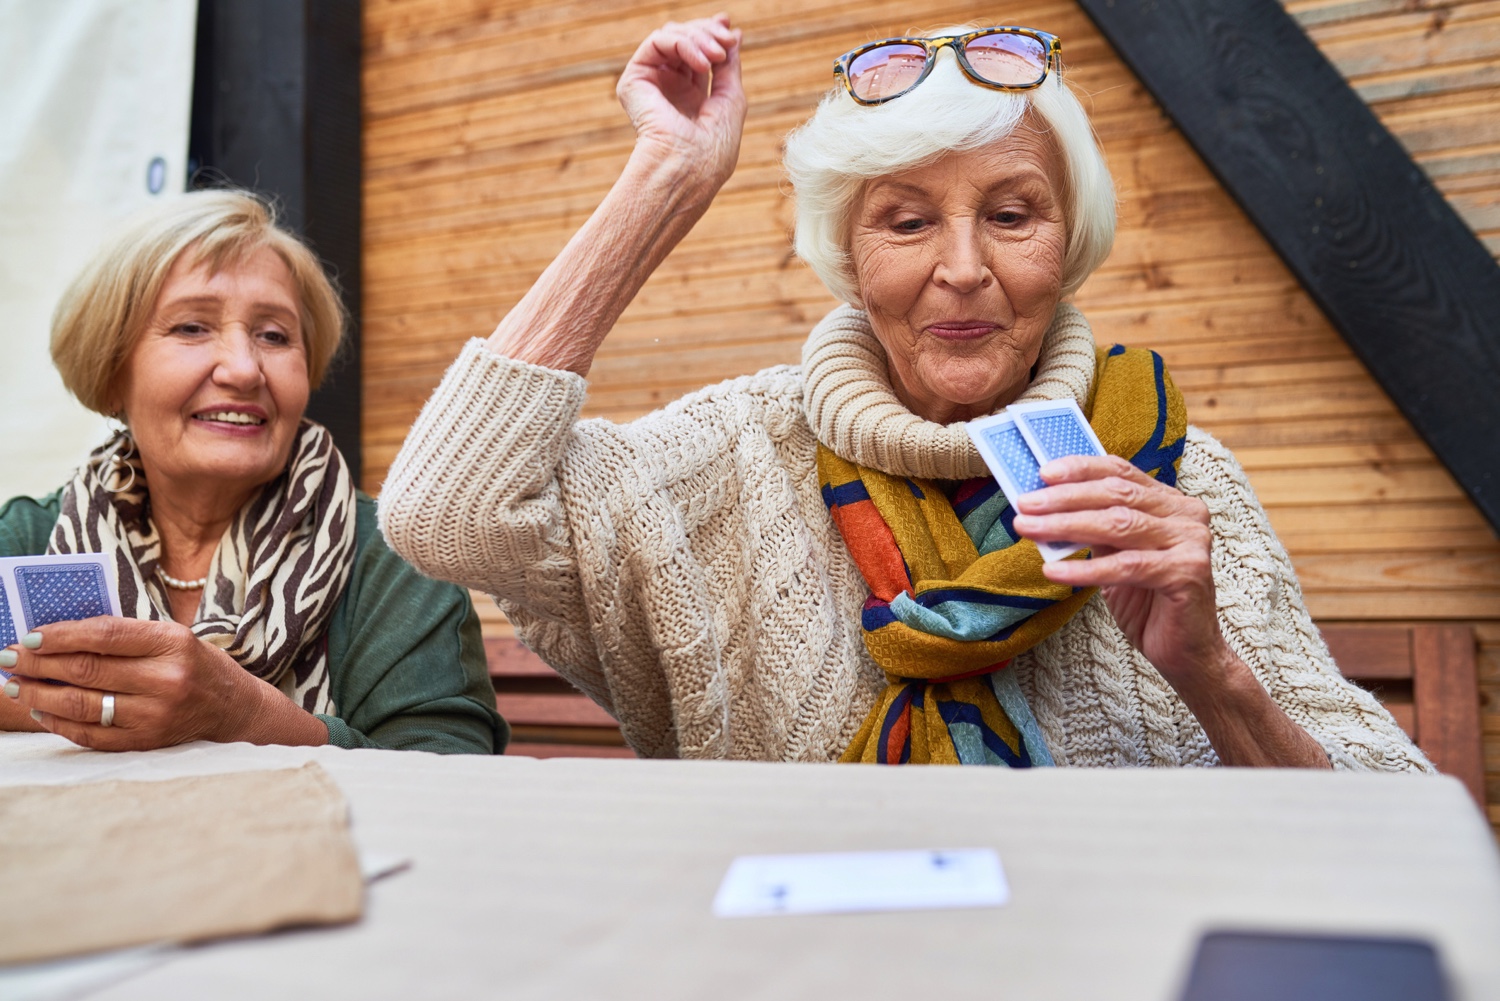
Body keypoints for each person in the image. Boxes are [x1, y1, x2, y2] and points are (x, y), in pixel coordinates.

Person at [380, 16, 1426, 770]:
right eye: (908, 221)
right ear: (849, 253)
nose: (963, 267)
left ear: (1071, 246)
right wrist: (665, 181)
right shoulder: (738, 448)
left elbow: (1394, 817)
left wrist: (1213, 670)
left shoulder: (1176, 479)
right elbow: (445, 511)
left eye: (1013, 215)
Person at [1, 190, 507, 754]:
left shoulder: (393, 559)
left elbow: (453, 769)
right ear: (112, 368)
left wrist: (242, 716)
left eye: (274, 335)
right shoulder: (27, 541)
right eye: (192, 327)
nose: (244, 369)